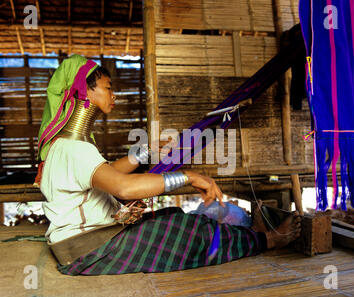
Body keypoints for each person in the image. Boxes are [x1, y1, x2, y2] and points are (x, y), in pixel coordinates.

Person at [35, 54, 301, 276]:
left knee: (172, 217)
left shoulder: (64, 147)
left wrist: (146, 151)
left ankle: (250, 238)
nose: (114, 95)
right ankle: (267, 240)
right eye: (108, 87)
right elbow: (124, 188)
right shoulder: (73, 149)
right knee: (192, 231)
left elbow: (106, 175)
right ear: (85, 89)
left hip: (85, 243)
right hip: (90, 251)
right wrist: (188, 177)